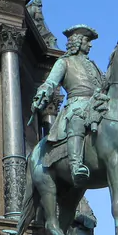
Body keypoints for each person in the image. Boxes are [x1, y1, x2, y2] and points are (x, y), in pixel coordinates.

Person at [32, 25, 107, 185]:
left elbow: (104, 84)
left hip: (97, 102)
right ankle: (76, 165)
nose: (90, 44)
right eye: (87, 40)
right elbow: (51, 82)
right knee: (77, 119)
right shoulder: (64, 62)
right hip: (77, 103)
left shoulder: (93, 65)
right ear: (78, 42)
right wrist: (42, 94)